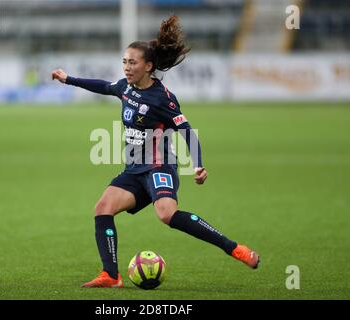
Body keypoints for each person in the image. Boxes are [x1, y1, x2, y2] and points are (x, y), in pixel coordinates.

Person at [52, 15, 260, 288]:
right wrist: (69, 80)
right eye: (124, 62)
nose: (127, 67)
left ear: (148, 66)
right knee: (102, 208)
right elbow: (103, 86)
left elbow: (187, 131)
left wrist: (198, 164)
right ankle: (111, 276)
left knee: (166, 214)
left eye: (133, 62)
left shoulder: (163, 98)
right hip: (134, 169)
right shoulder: (125, 87)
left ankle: (235, 249)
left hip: (160, 167)